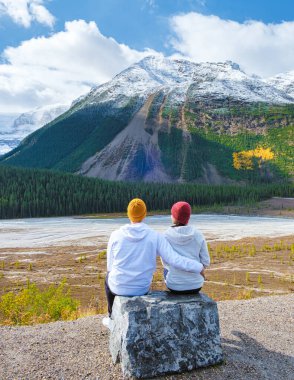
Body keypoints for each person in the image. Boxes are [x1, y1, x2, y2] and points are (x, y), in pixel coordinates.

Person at [103, 198, 205, 328]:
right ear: (145, 214)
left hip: (118, 287)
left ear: (128, 214)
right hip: (142, 288)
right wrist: (198, 267)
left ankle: (111, 317)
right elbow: (174, 259)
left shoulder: (115, 235)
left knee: (107, 278)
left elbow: (110, 267)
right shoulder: (155, 236)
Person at [162, 201, 210, 294]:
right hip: (196, 284)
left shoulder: (165, 236)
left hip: (174, 285)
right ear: (188, 217)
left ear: (173, 217)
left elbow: (165, 262)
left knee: (166, 268)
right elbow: (206, 262)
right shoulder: (198, 234)